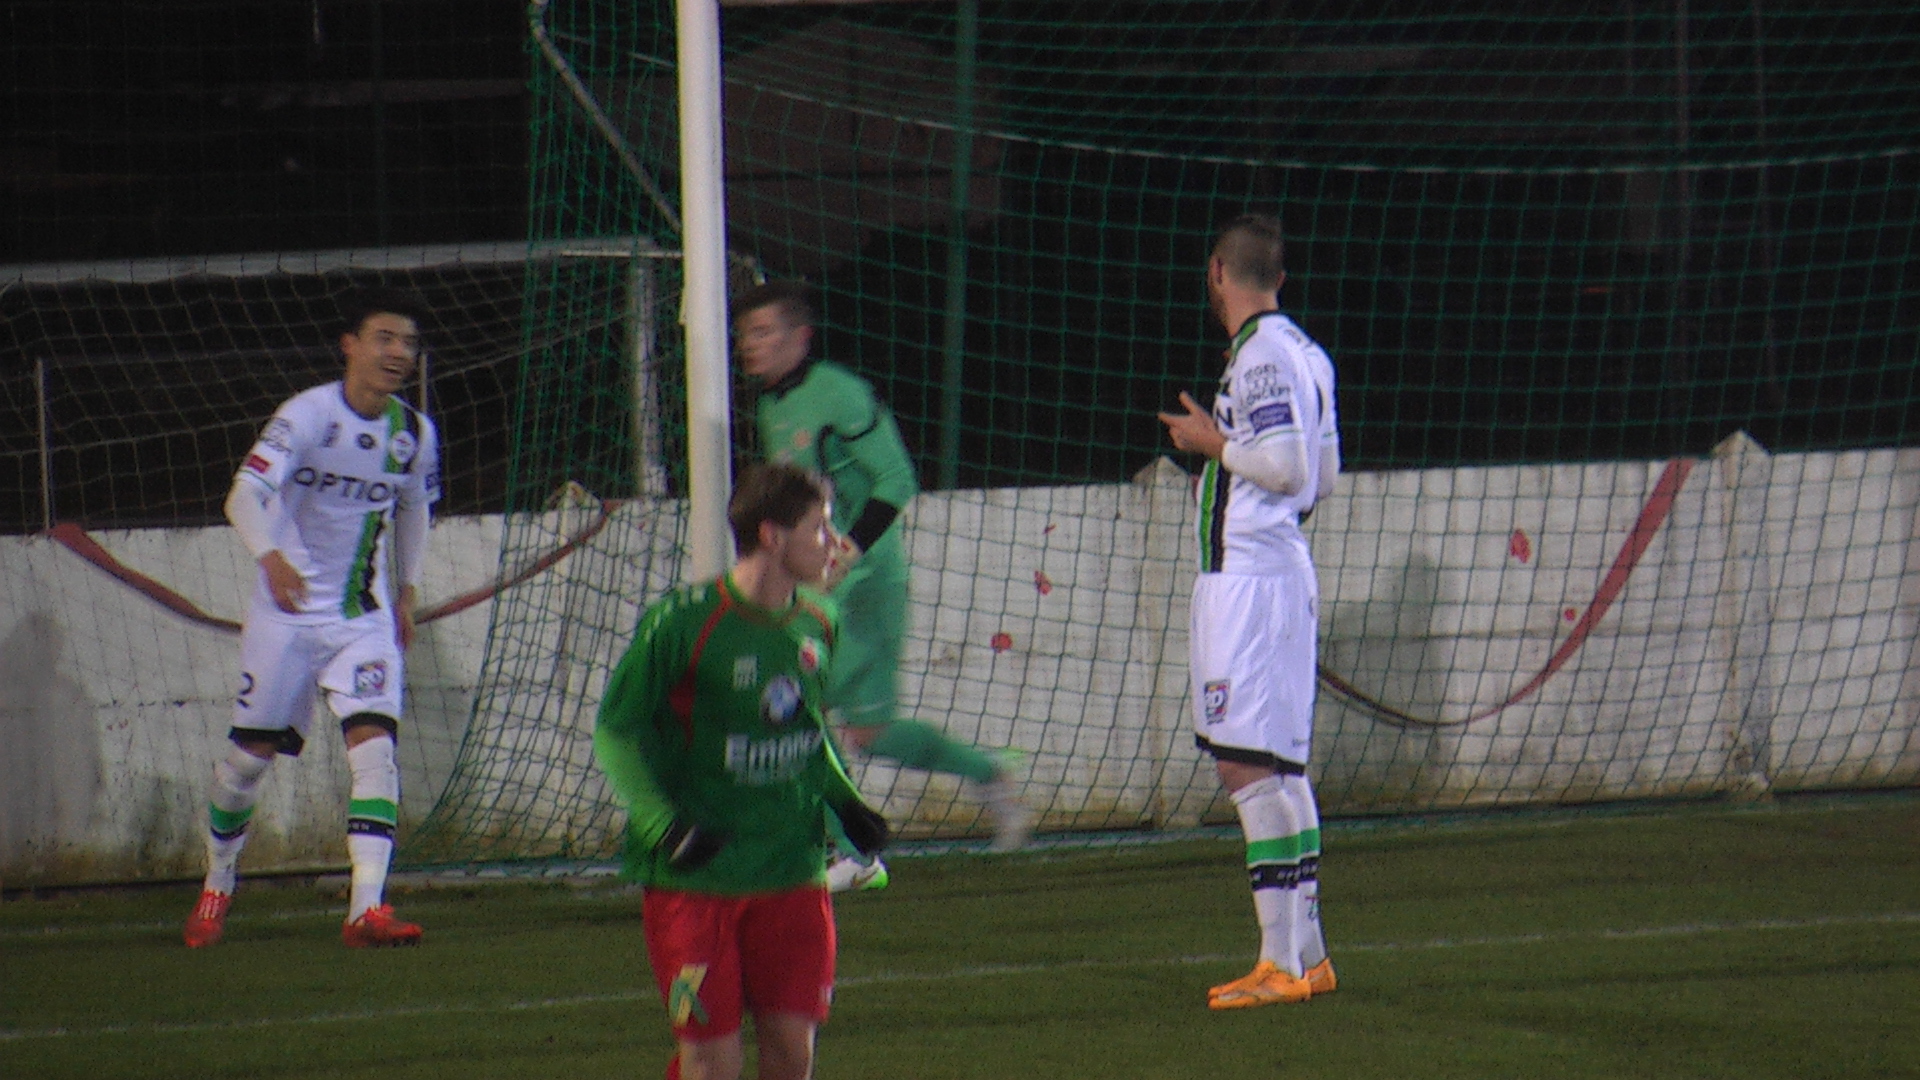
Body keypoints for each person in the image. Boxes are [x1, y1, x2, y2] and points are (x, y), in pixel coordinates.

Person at [593, 462, 890, 1080]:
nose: (833, 542)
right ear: (772, 536)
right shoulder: (683, 622)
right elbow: (617, 731)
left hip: (792, 871)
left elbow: (804, 731)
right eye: (819, 527)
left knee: (793, 1054)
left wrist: (846, 802)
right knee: (711, 1064)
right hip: (699, 880)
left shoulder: (819, 620)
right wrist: (662, 824)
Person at [733, 280, 1031, 888]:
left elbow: (897, 479)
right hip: (823, 584)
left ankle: (851, 851)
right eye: (744, 335)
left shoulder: (840, 393)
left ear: (800, 336)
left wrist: (845, 554)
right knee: (869, 732)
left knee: (790, 700)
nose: (749, 345)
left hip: (864, 581)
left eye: (763, 332)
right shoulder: (771, 408)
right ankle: (989, 774)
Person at [182, 288, 441, 949]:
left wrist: (407, 592)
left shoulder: (414, 433)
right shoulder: (306, 415)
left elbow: (415, 509)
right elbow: (243, 495)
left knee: (376, 752)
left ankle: (365, 909)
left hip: (363, 618)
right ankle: (217, 881)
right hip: (287, 617)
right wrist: (271, 558)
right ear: (349, 345)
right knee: (247, 763)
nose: (399, 353)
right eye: (385, 338)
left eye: (409, 343)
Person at [1157, 213, 1341, 1009]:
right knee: (1281, 769)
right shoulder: (1306, 352)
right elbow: (1323, 477)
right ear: (1280, 278)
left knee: (1246, 768)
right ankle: (1308, 955)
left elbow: (1291, 468)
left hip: (1251, 585)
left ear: (1218, 273)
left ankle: (1279, 965)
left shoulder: (1262, 357)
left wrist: (1214, 445)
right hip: (1279, 576)